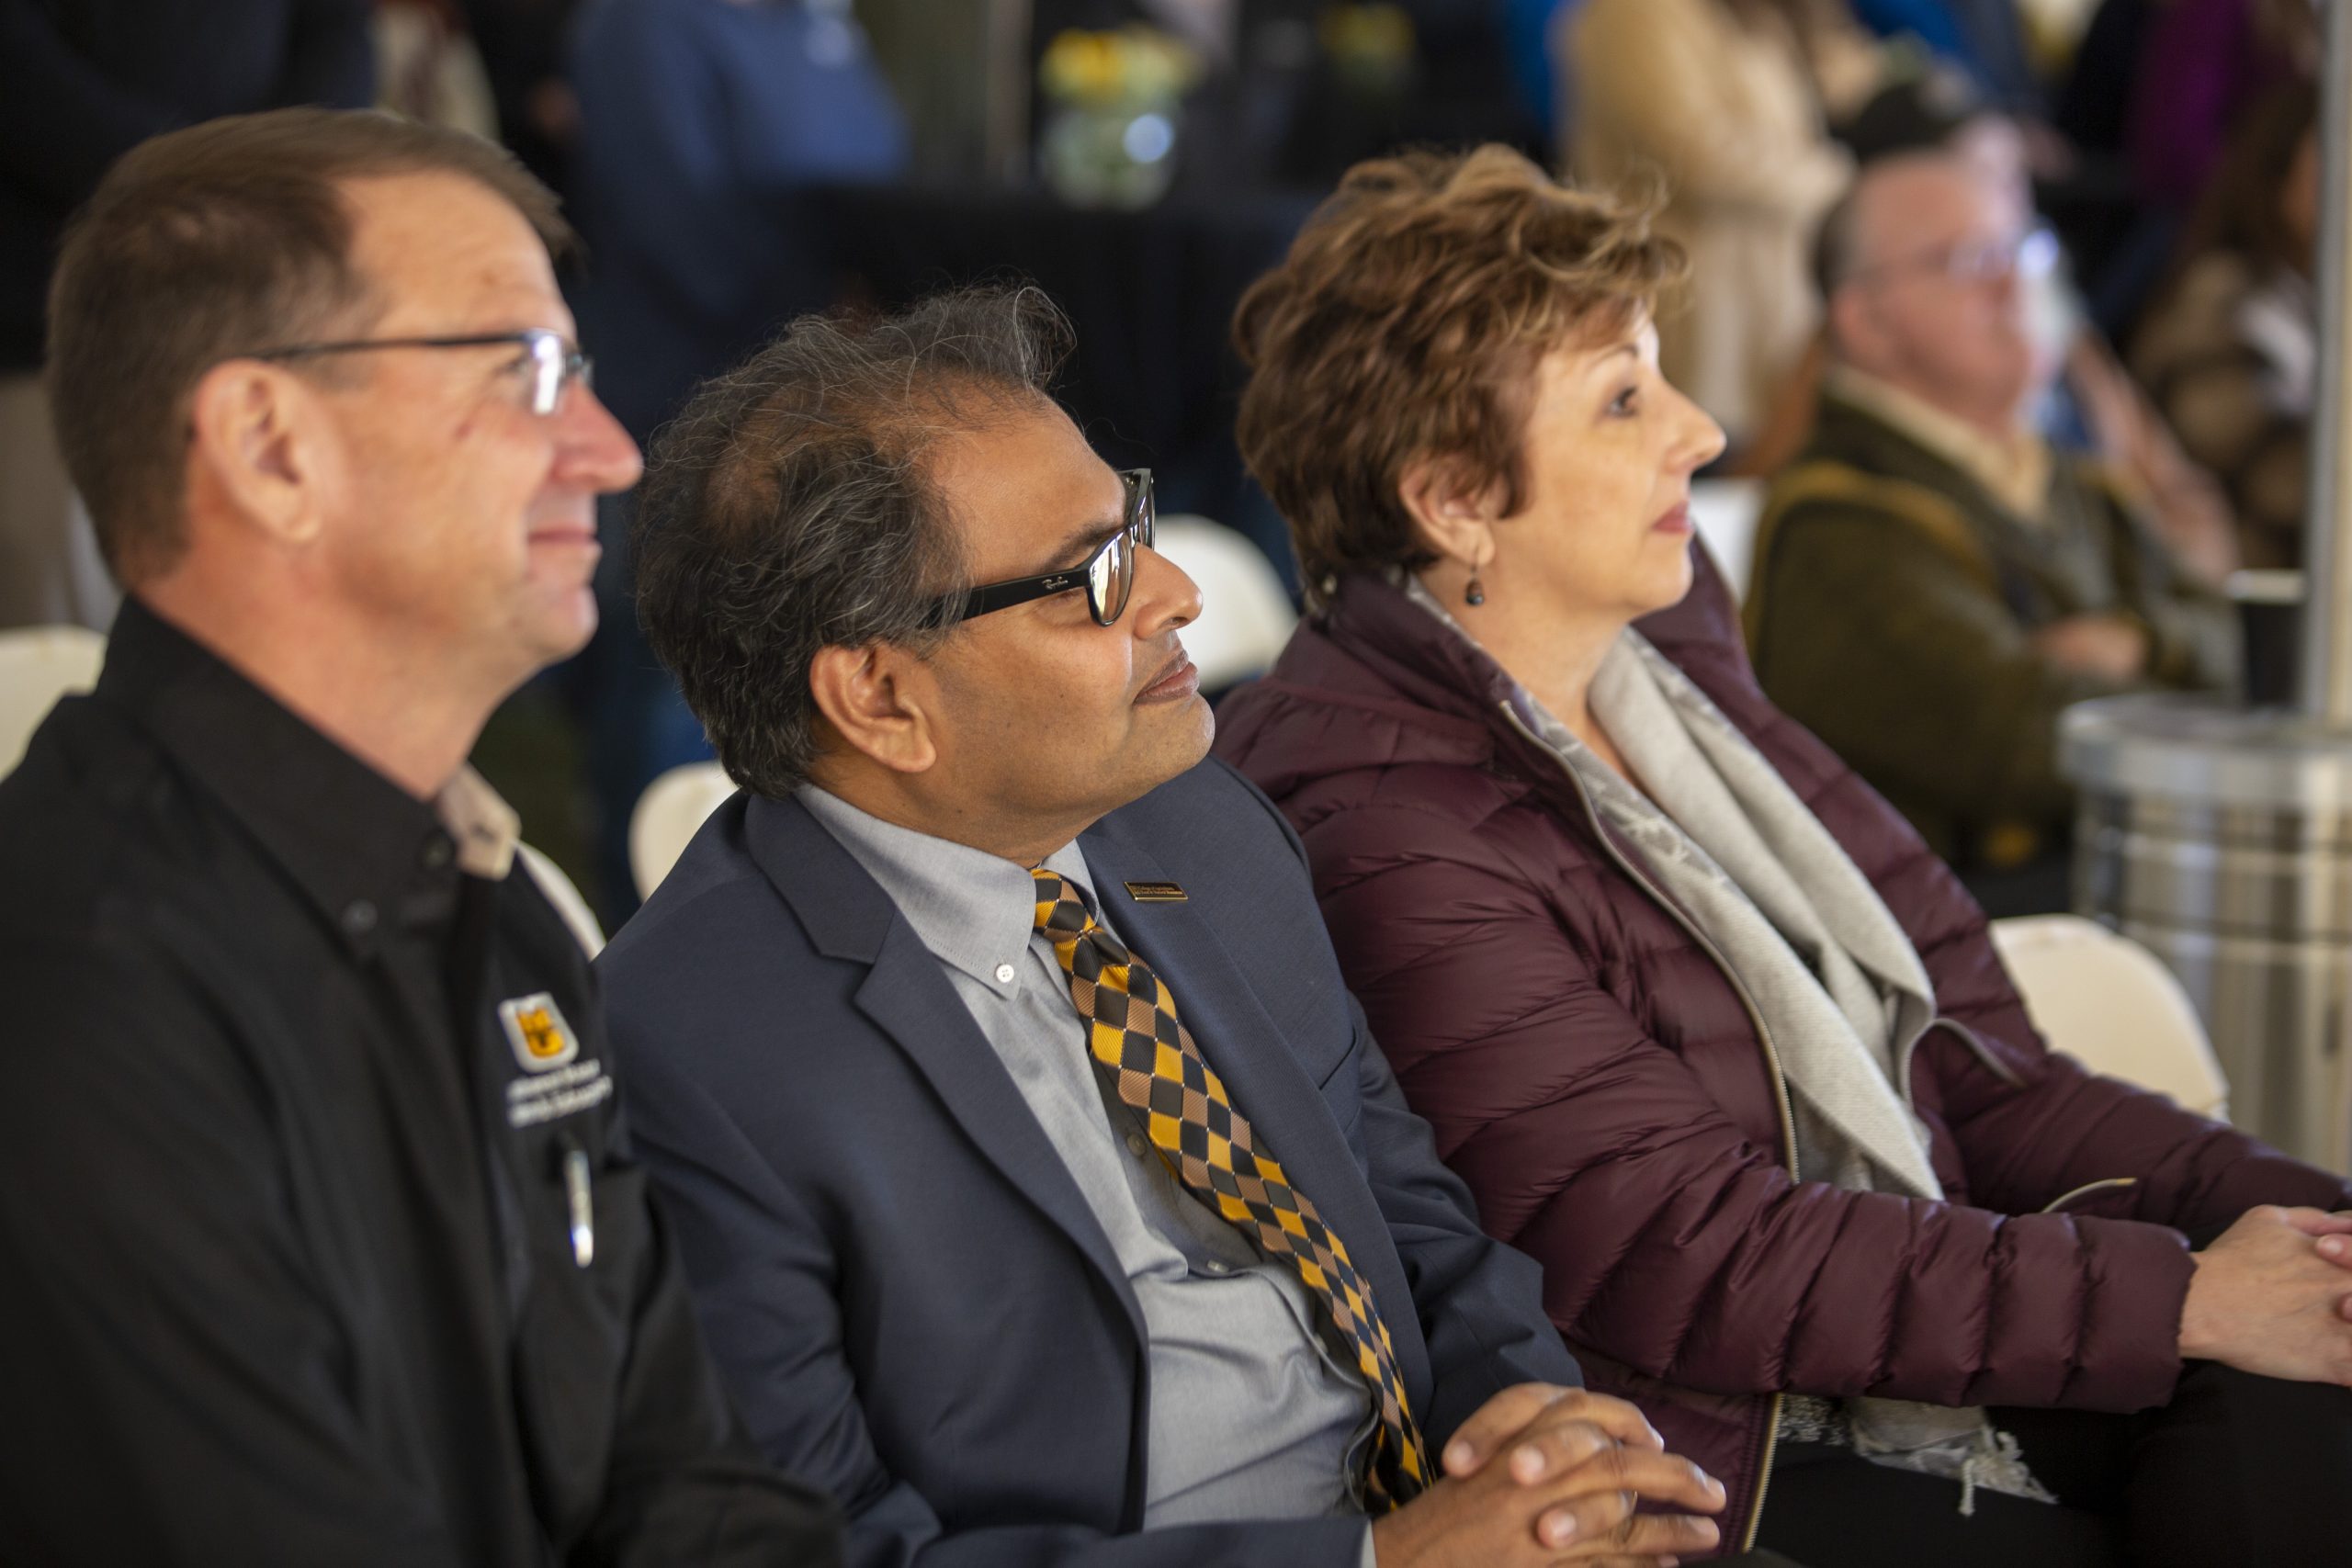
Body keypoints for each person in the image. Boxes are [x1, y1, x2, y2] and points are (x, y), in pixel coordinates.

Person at [1213, 143, 2352, 1566]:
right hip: (1716, 1453)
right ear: (1453, 499)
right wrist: (2184, 1296)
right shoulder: (1378, 813)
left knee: (2318, 1396)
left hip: (1915, 1330)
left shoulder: (1670, 668)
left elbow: (1981, 1071)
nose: (1700, 431)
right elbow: (1692, 1247)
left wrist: (2315, 1224)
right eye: (1623, 399)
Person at [599, 286, 1785, 1568]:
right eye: (1093, 577)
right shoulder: (690, 1052)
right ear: (882, 697)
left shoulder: (1199, 827)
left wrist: (1536, 1441)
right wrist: (1386, 1564)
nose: (1174, 593)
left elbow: (1415, 1221)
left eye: (1139, 526)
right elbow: (818, 1548)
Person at [0, 108, 839, 1566]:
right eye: (527, 371)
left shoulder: (501, 911)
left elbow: (691, 1481)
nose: (612, 452)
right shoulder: (76, 986)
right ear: (271, 447)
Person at [1747, 150, 2236, 914]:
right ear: (1867, 322)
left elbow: (2234, 643)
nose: (2014, 285)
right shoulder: (1834, 522)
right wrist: (2195, 690)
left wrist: (2139, 643)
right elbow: (2024, 742)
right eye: (1969, 261)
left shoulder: (2077, 482)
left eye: (2024, 249)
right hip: (1956, 949)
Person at [0, 0, 375, 631]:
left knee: (255, 608)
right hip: (54, 316)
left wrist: (279, 165)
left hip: (259, 306)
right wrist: (201, 179)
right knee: (61, 634)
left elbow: (335, 32)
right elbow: (20, 75)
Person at [1558, 0, 1867, 450]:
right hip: (1694, 311)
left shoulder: (1749, 13)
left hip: (1768, 306)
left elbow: (1844, 82)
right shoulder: (1637, 13)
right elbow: (1698, 155)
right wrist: (1839, 179)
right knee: (1702, 461)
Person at [2131, 81, 2320, 571]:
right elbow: (2278, 484)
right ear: (2276, 177)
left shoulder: (2310, 299)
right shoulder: (2220, 298)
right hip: (2257, 594)